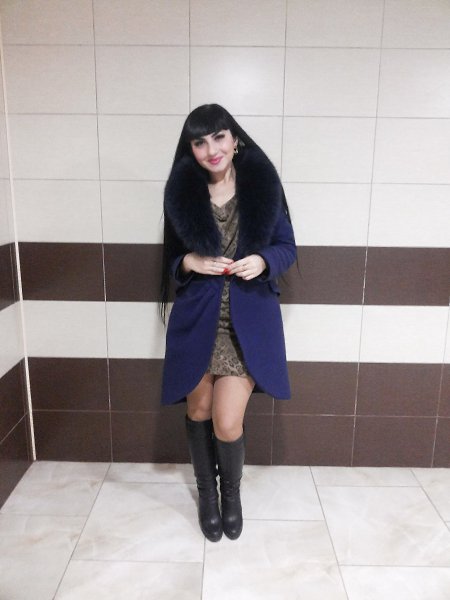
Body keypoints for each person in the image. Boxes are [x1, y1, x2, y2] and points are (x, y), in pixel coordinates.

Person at [159, 104, 296, 542]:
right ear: (191, 150)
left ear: (235, 140)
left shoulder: (262, 187)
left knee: (226, 421)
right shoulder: (183, 194)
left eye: (219, 137)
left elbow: (288, 247)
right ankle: (207, 494)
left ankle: (230, 496)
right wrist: (190, 261)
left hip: (246, 324)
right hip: (197, 321)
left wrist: (263, 260)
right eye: (199, 142)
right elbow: (172, 260)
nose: (211, 149)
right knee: (198, 411)